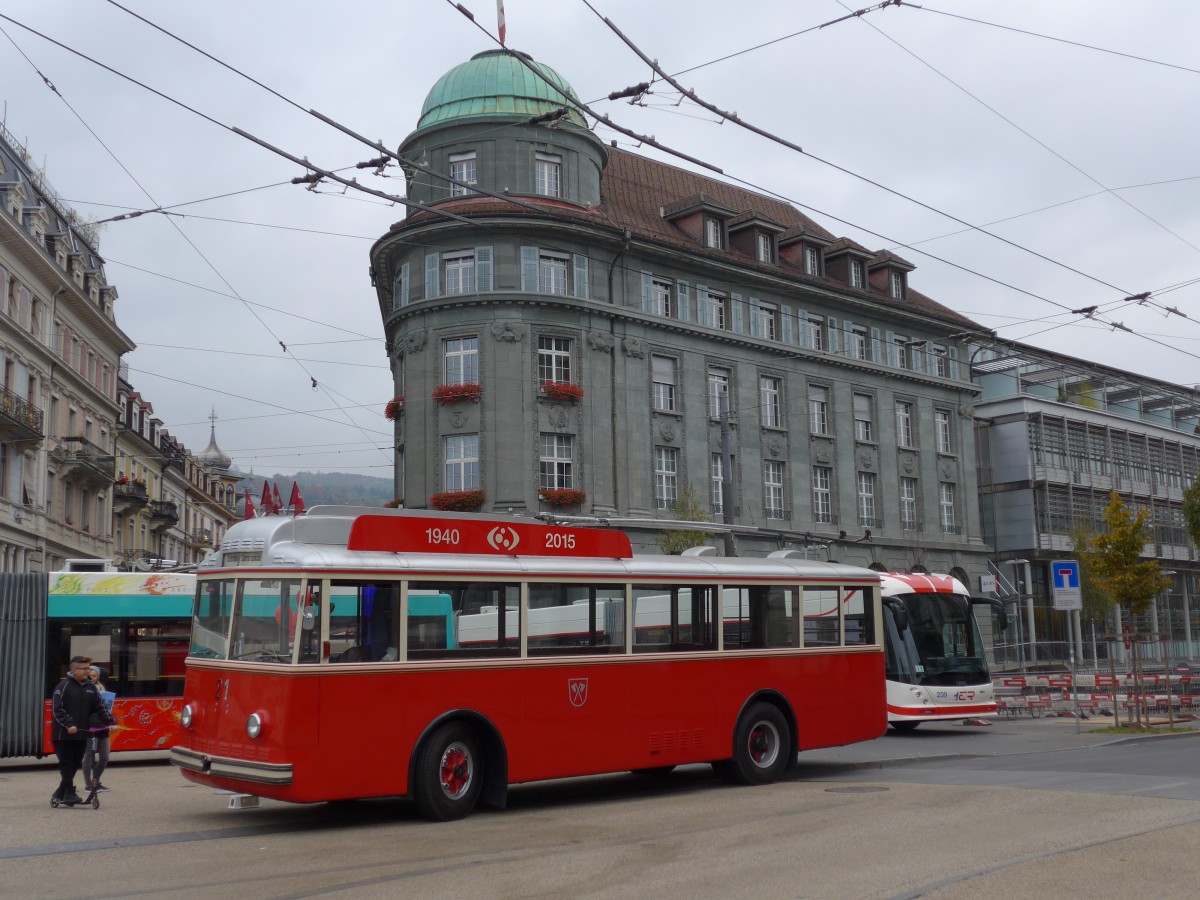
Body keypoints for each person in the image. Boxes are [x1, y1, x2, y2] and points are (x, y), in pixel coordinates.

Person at [50, 656, 111, 805]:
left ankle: (60, 793)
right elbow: (57, 710)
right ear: (74, 670)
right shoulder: (62, 687)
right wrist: (69, 724)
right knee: (67, 765)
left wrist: (110, 721)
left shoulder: (91, 688)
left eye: (89, 668)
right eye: (85, 669)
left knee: (76, 764)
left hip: (82, 734)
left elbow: (100, 708)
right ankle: (68, 792)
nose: (88, 671)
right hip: (63, 735)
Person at [82, 665, 116, 793]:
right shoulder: (84, 689)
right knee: (89, 757)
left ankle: (95, 781)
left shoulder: (102, 689)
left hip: (102, 726)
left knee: (105, 757)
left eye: (94, 676)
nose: (92, 678)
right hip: (90, 727)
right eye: (90, 676)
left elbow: (106, 709)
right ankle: (88, 784)